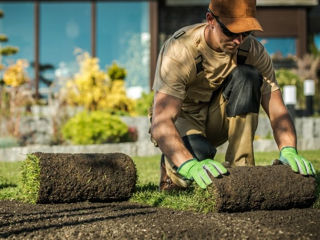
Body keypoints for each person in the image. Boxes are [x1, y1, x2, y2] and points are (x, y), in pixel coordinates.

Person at [150, 0, 316, 191]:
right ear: (210, 19)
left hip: (216, 117)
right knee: (198, 154)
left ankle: (242, 170)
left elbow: (277, 110)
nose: (238, 40)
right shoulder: (180, 49)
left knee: (248, 76)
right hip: (183, 119)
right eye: (231, 31)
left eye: (245, 33)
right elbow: (161, 121)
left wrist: (288, 149)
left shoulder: (252, 51)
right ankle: (171, 170)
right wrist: (188, 164)